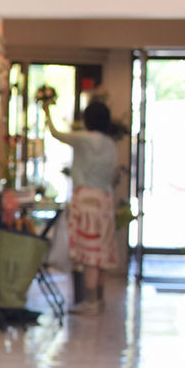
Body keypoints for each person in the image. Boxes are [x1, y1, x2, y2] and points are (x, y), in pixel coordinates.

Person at [43, 99, 121, 315]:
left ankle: (90, 302)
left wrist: (46, 110)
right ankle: (99, 299)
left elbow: (55, 133)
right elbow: (113, 176)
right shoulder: (111, 144)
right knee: (101, 254)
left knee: (89, 257)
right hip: (104, 201)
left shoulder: (83, 139)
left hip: (85, 200)